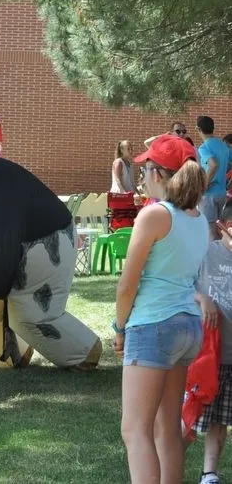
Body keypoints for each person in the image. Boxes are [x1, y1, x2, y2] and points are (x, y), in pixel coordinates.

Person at [114, 135, 210, 484]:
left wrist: (118, 327)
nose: (142, 177)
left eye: (145, 169)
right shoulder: (199, 219)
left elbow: (127, 284)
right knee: (167, 427)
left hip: (153, 326)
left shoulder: (154, 215)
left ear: (159, 173)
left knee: (134, 430)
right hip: (188, 327)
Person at [188, 205, 232, 484]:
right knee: (192, 415)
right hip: (210, 355)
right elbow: (181, 285)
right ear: (223, 225)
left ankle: (210, 473)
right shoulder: (206, 254)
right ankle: (170, 470)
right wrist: (202, 299)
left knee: (221, 419)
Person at [195, 116, 231, 233]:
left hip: (208, 194)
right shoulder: (224, 146)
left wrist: (204, 184)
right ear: (213, 128)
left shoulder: (204, 147)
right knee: (221, 230)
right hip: (222, 193)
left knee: (209, 231)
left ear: (198, 129)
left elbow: (213, 164)